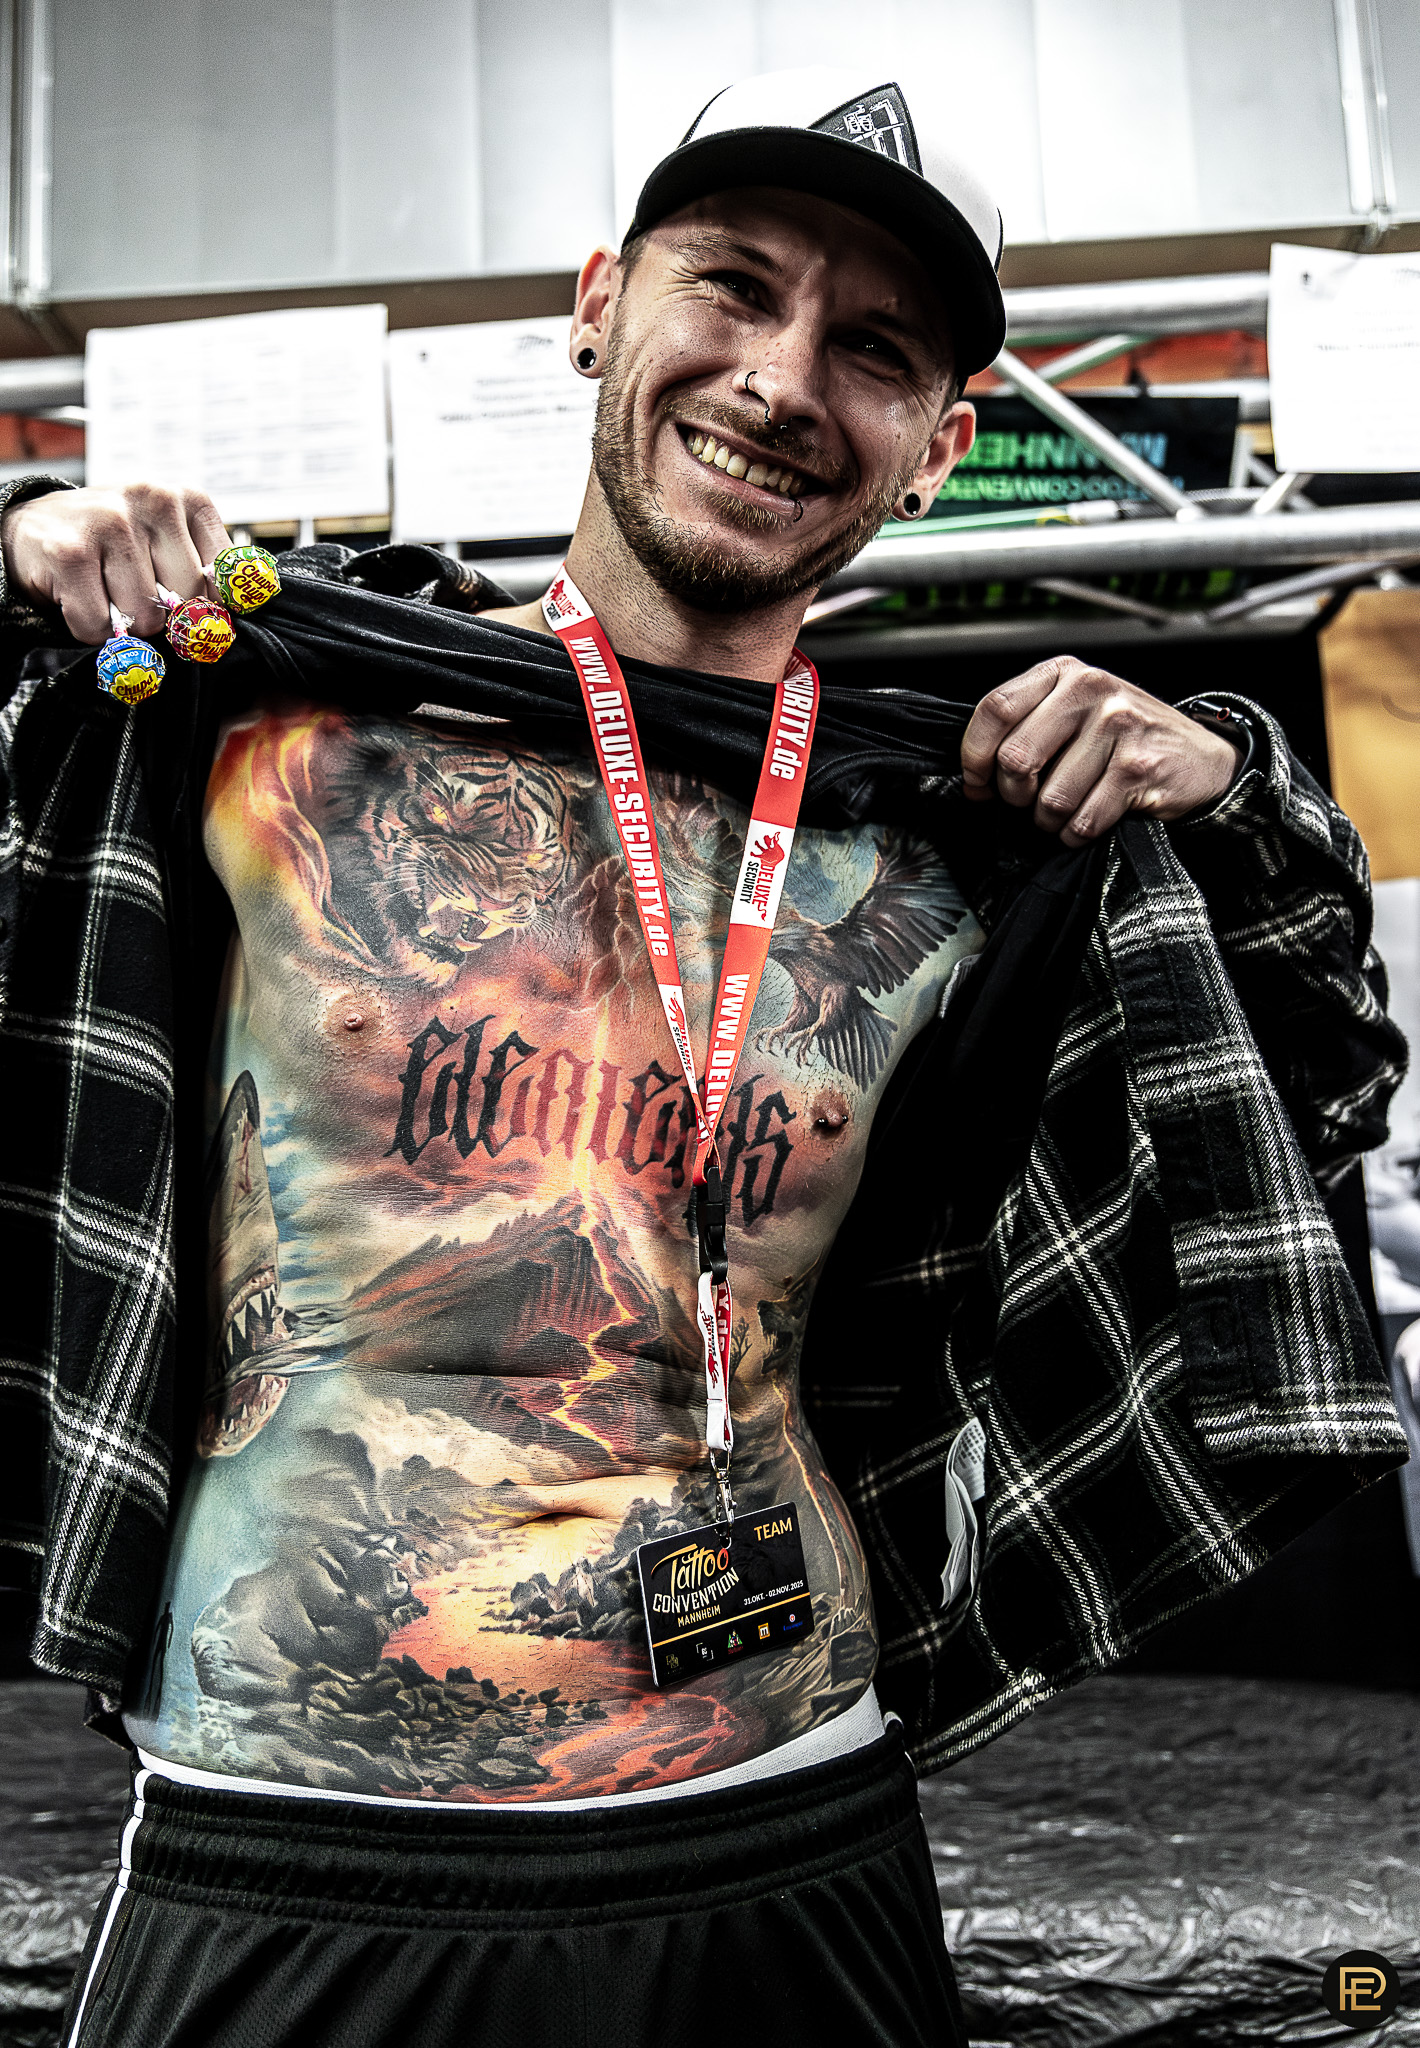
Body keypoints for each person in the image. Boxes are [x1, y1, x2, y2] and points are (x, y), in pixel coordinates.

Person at [0, 67, 1407, 2048]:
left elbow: (1314, 1067)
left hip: (796, 1818)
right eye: (731, 286)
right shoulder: (263, 738)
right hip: (295, 1840)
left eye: (874, 350)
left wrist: (1235, 785)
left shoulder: (945, 858)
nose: (780, 377)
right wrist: (25, 560)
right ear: (598, 306)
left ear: (936, 448)